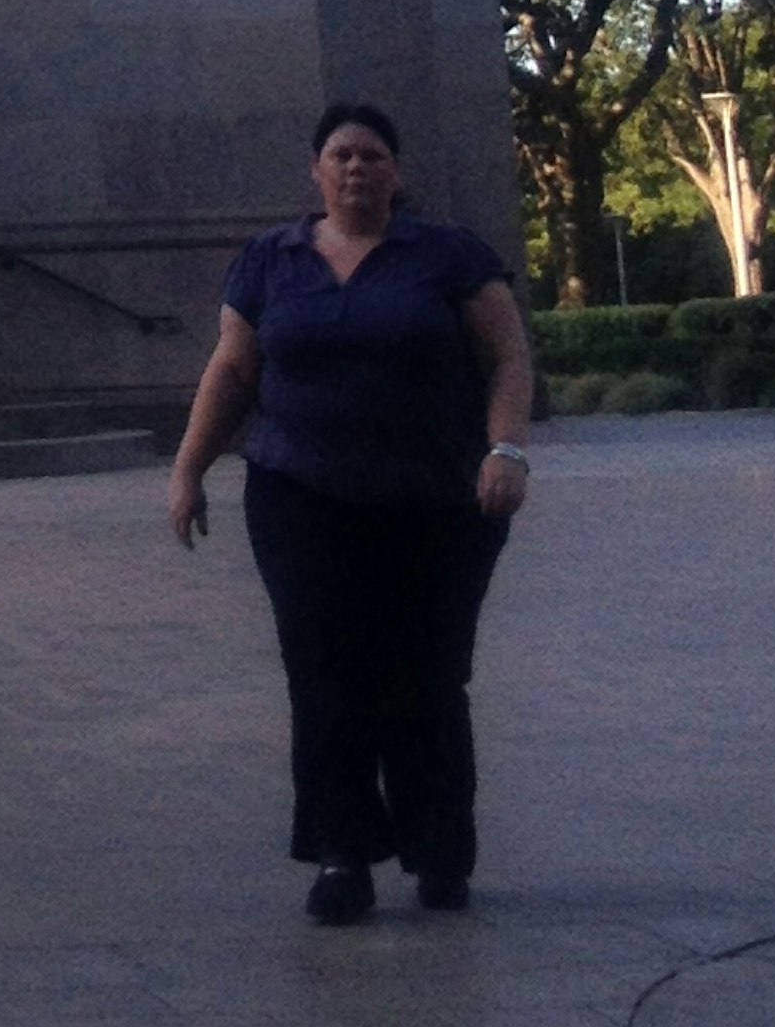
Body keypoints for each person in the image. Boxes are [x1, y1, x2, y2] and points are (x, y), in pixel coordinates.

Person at [167, 106, 535, 919]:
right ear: (316, 171)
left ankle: (439, 854)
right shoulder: (271, 260)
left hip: (436, 502)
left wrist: (505, 449)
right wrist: (189, 468)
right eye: (341, 156)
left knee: (428, 676)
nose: (356, 169)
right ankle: (342, 856)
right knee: (324, 676)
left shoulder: (448, 255)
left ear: (396, 173)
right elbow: (232, 370)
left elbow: (507, 357)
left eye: (372, 156)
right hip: (301, 498)